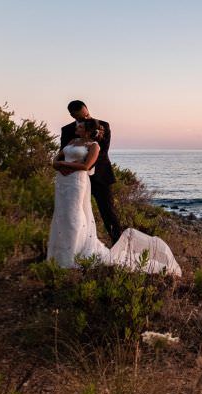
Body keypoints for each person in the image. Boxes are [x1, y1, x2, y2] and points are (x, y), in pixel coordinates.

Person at [48, 118, 181, 276]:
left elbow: (86, 166)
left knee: (74, 216)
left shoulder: (94, 146)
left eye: (80, 126)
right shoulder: (72, 141)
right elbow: (57, 158)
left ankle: (73, 255)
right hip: (63, 182)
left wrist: (66, 165)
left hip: (77, 182)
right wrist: (58, 164)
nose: (77, 127)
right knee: (61, 215)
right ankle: (60, 255)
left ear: (88, 131)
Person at [60, 100, 121, 242]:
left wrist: (84, 163)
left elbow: (103, 151)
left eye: (87, 115)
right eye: (81, 118)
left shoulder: (103, 125)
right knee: (75, 212)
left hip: (100, 175)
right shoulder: (67, 130)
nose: (86, 119)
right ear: (73, 116)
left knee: (108, 211)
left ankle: (118, 242)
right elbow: (63, 152)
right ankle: (77, 243)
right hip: (75, 179)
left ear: (87, 109)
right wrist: (68, 166)